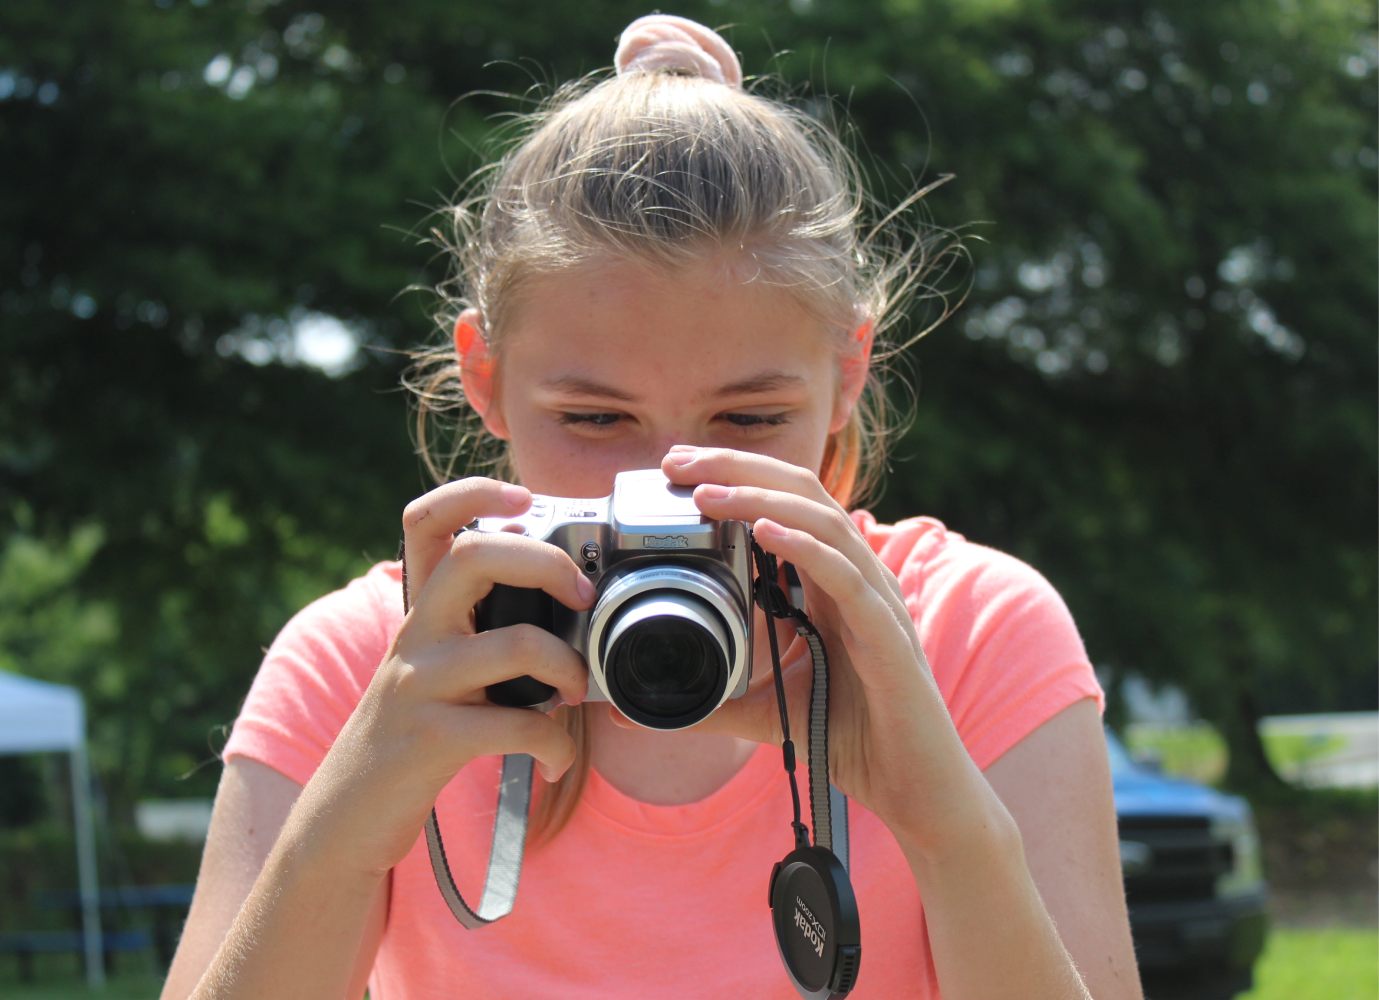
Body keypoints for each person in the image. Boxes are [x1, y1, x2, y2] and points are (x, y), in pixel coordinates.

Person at [163, 14, 1141, 1000]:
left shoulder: (969, 638)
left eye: (749, 415)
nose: (664, 481)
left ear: (847, 373)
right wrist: (345, 830)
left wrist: (947, 825)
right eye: (593, 417)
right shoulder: (370, 664)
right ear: (485, 377)